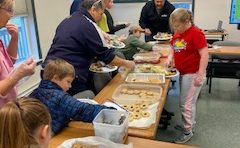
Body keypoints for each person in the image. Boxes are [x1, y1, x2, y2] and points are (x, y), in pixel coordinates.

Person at [43, 0, 135, 96]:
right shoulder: (87, 25)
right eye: (101, 14)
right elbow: (106, 56)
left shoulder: (68, 20)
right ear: (93, 9)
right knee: (80, 101)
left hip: (49, 69)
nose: (100, 18)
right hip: (68, 73)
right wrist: (128, 63)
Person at [31, 59, 116, 134]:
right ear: (56, 78)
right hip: (51, 136)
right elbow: (83, 110)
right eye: (68, 82)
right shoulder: (60, 98)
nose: (70, 86)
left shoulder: (35, 92)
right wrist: (112, 112)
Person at [166, 8, 209, 143]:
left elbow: (204, 54)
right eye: (174, 26)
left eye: (177, 26)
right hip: (184, 73)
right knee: (186, 103)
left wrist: (200, 74)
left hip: (194, 74)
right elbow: (173, 46)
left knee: (186, 104)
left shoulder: (195, 33)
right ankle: (189, 124)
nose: (175, 29)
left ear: (187, 21)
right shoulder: (179, 32)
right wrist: (170, 57)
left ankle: (188, 130)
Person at [0, 0, 36, 108]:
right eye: (9, 10)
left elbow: (9, 62)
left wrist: (14, 38)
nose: (12, 15)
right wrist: (18, 74)